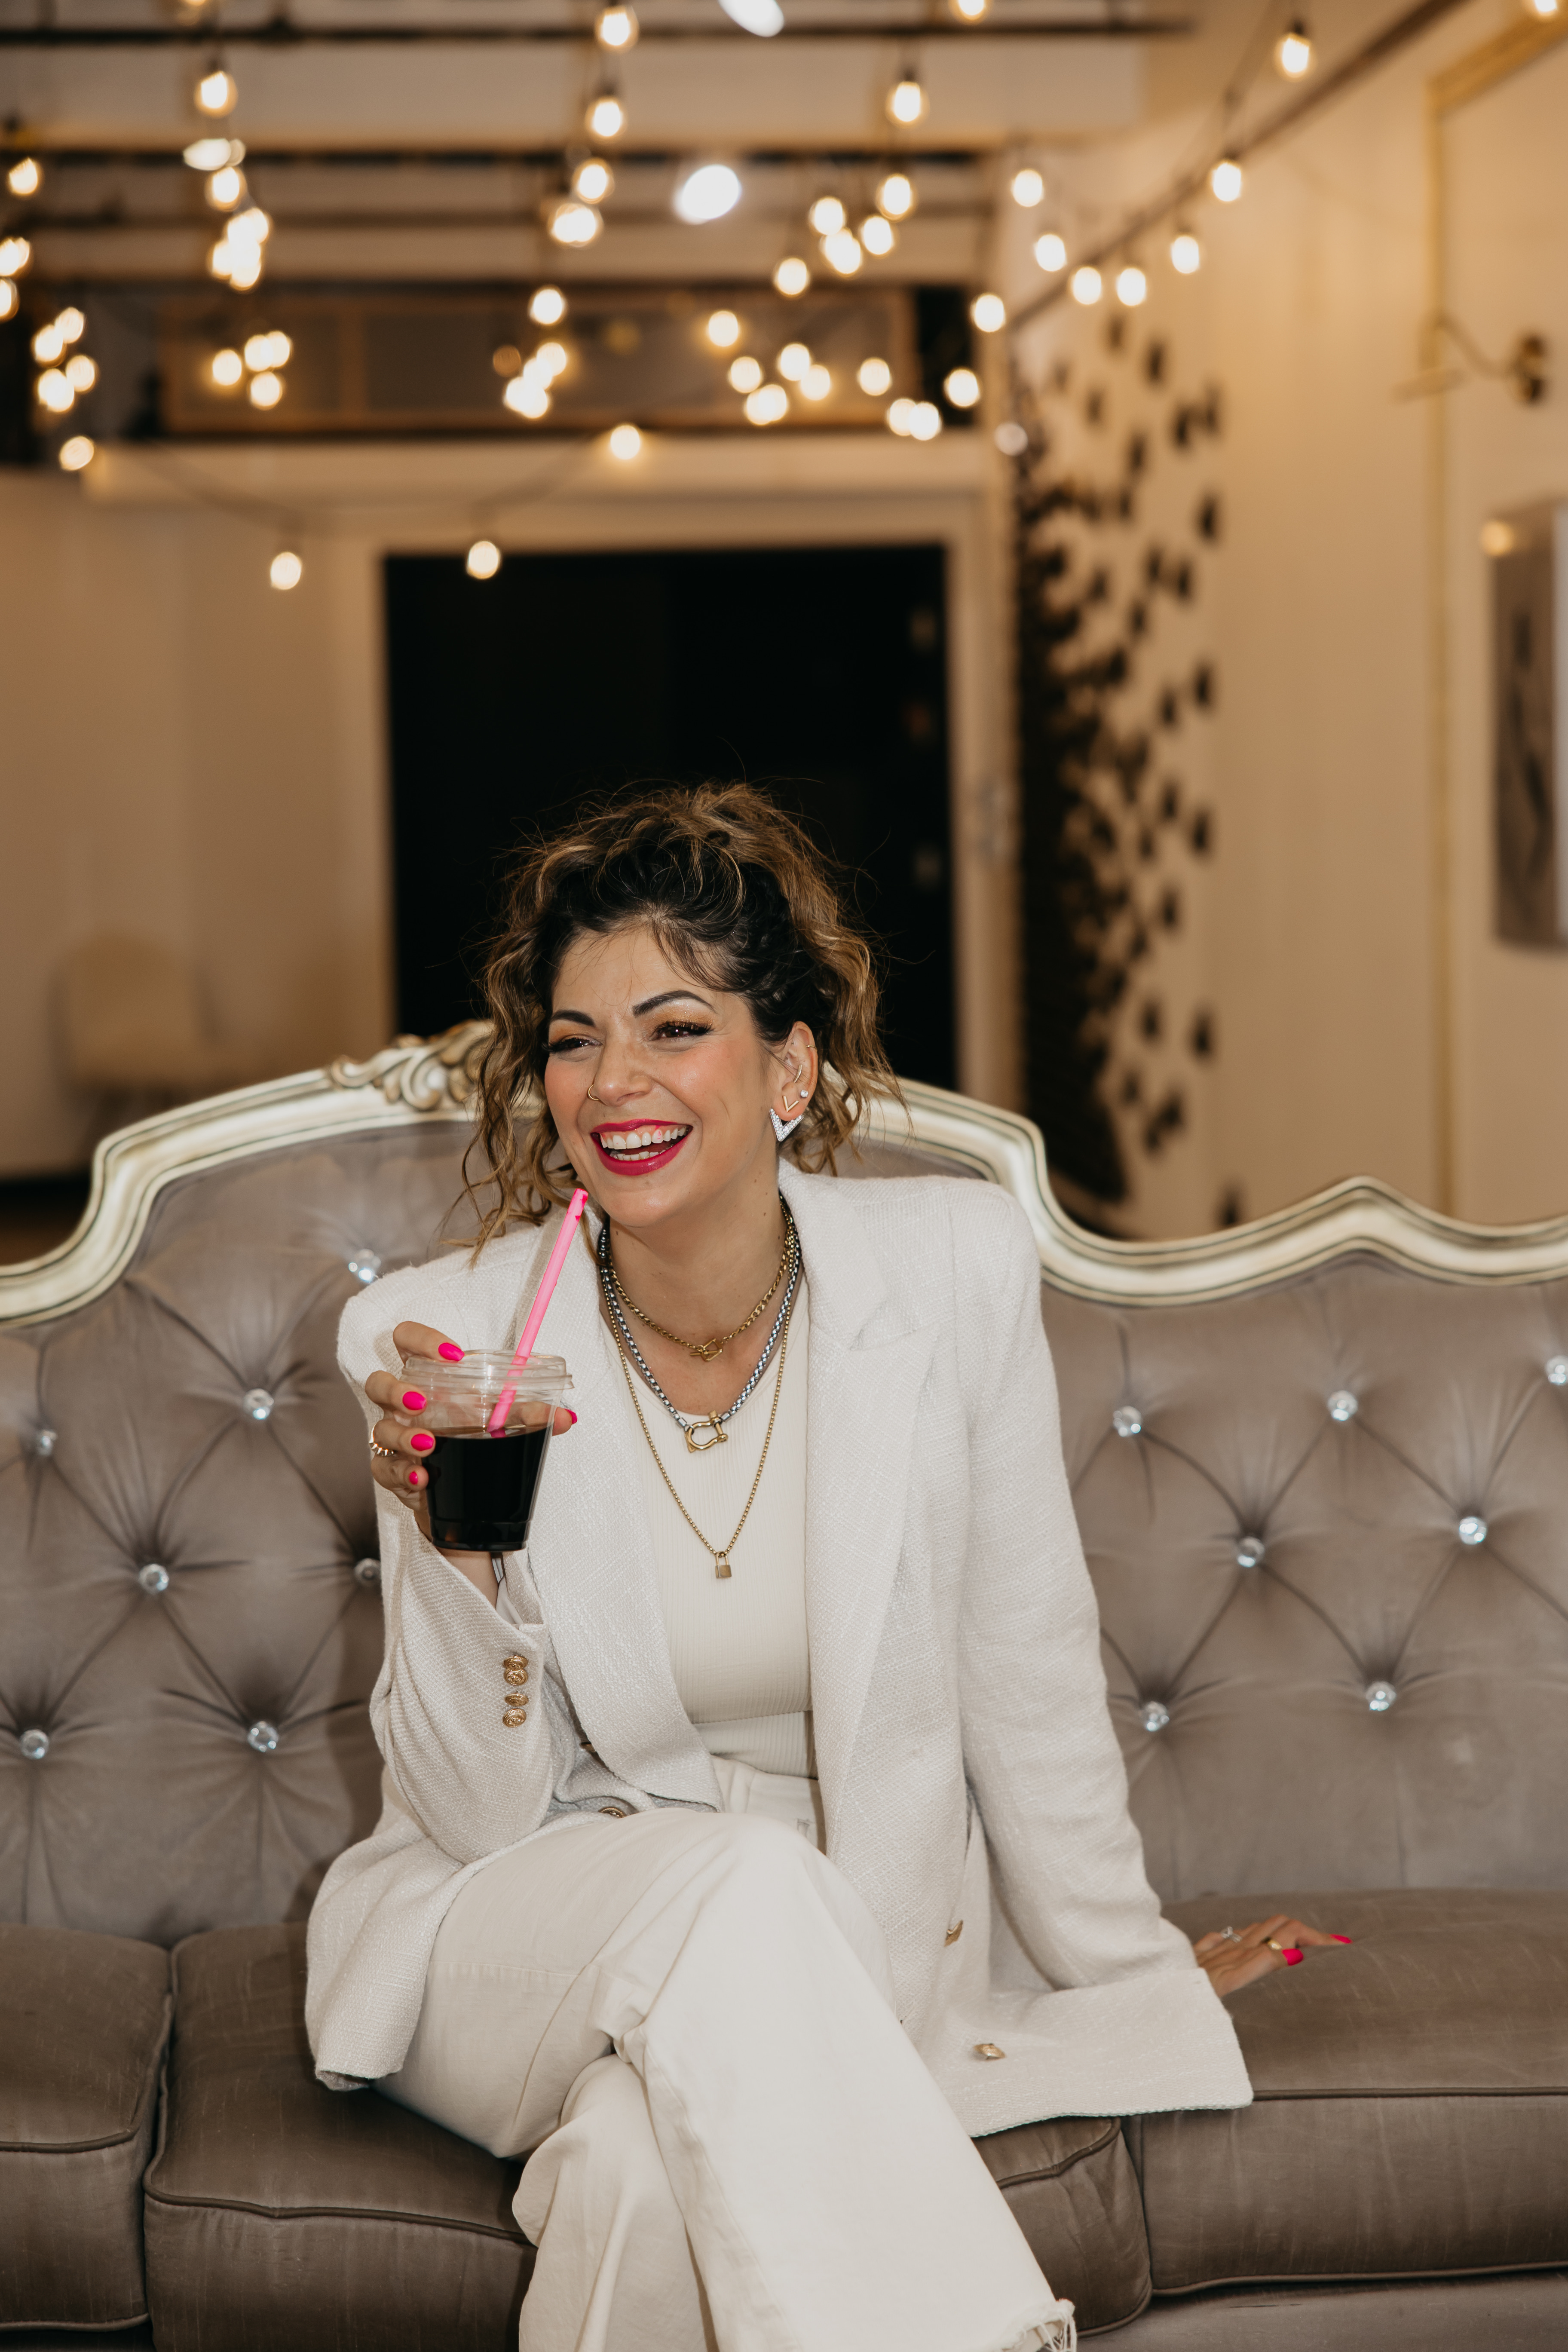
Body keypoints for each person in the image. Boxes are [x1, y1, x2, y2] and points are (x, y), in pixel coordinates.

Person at [305, 784, 1341, 2352]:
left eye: (673, 1028)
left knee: (637, 2179)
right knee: (740, 1876)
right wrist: (463, 1556)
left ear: (789, 1067)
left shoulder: (952, 1273)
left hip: (836, 1959)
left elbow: (1025, 1669)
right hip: (505, 1931)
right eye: (575, 1042)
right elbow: (472, 1814)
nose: (614, 1081)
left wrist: (1127, 1971)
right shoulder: (444, 1342)